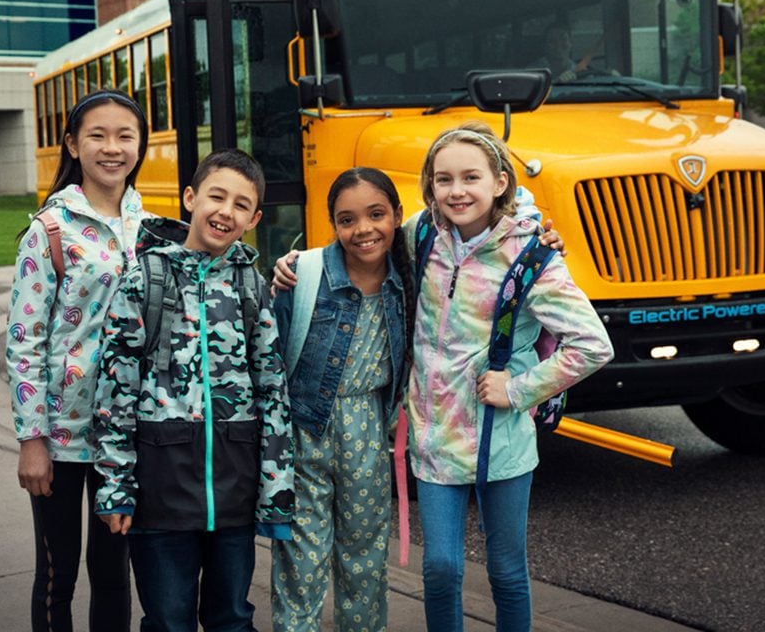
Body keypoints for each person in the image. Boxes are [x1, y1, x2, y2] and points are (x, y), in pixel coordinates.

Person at [408, 121, 612, 631]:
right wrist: (298, 264)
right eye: (443, 179)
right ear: (430, 185)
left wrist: (519, 389)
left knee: (506, 572)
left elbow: (593, 344)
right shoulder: (420, 235)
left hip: (501, 438)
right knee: (439, 568)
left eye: (470, 177)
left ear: (500, 182)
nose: (457, 191)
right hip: (433, 434)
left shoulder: (531, 256)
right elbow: (358, 243)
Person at [93, 148, 295, 632]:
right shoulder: (147, 277)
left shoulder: (252, 284)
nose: (226, 211)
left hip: (234, 493)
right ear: (190, 198)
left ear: (254, 219)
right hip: (161, 493)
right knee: (168, 620)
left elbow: (271, 389)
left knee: (232, 619)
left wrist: (276, 492)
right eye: (216, 196)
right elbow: (116, 389)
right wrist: (116, 487)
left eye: (241, 205)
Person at [6, 89, 149, 632]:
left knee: (114, 572)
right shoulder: (50, 231)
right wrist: (31, 439)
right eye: (97, 135)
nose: (112, 148)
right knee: (56, 572)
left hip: (129, 436)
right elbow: (24, 342)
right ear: (72, 143)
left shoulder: (152, 229)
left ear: (139, 145)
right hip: (60, 438)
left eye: (125, 136)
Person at [269, 167, 416, 631]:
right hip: (303, 432)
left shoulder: (408, 276)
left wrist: (543, 236)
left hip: (368, 430)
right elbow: (270, 355)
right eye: (347, 219)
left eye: (376, 214)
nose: (363, 230)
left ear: (397, 215)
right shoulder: (304, 273)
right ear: (333, 224)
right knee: (300, 564)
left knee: (365, 563)